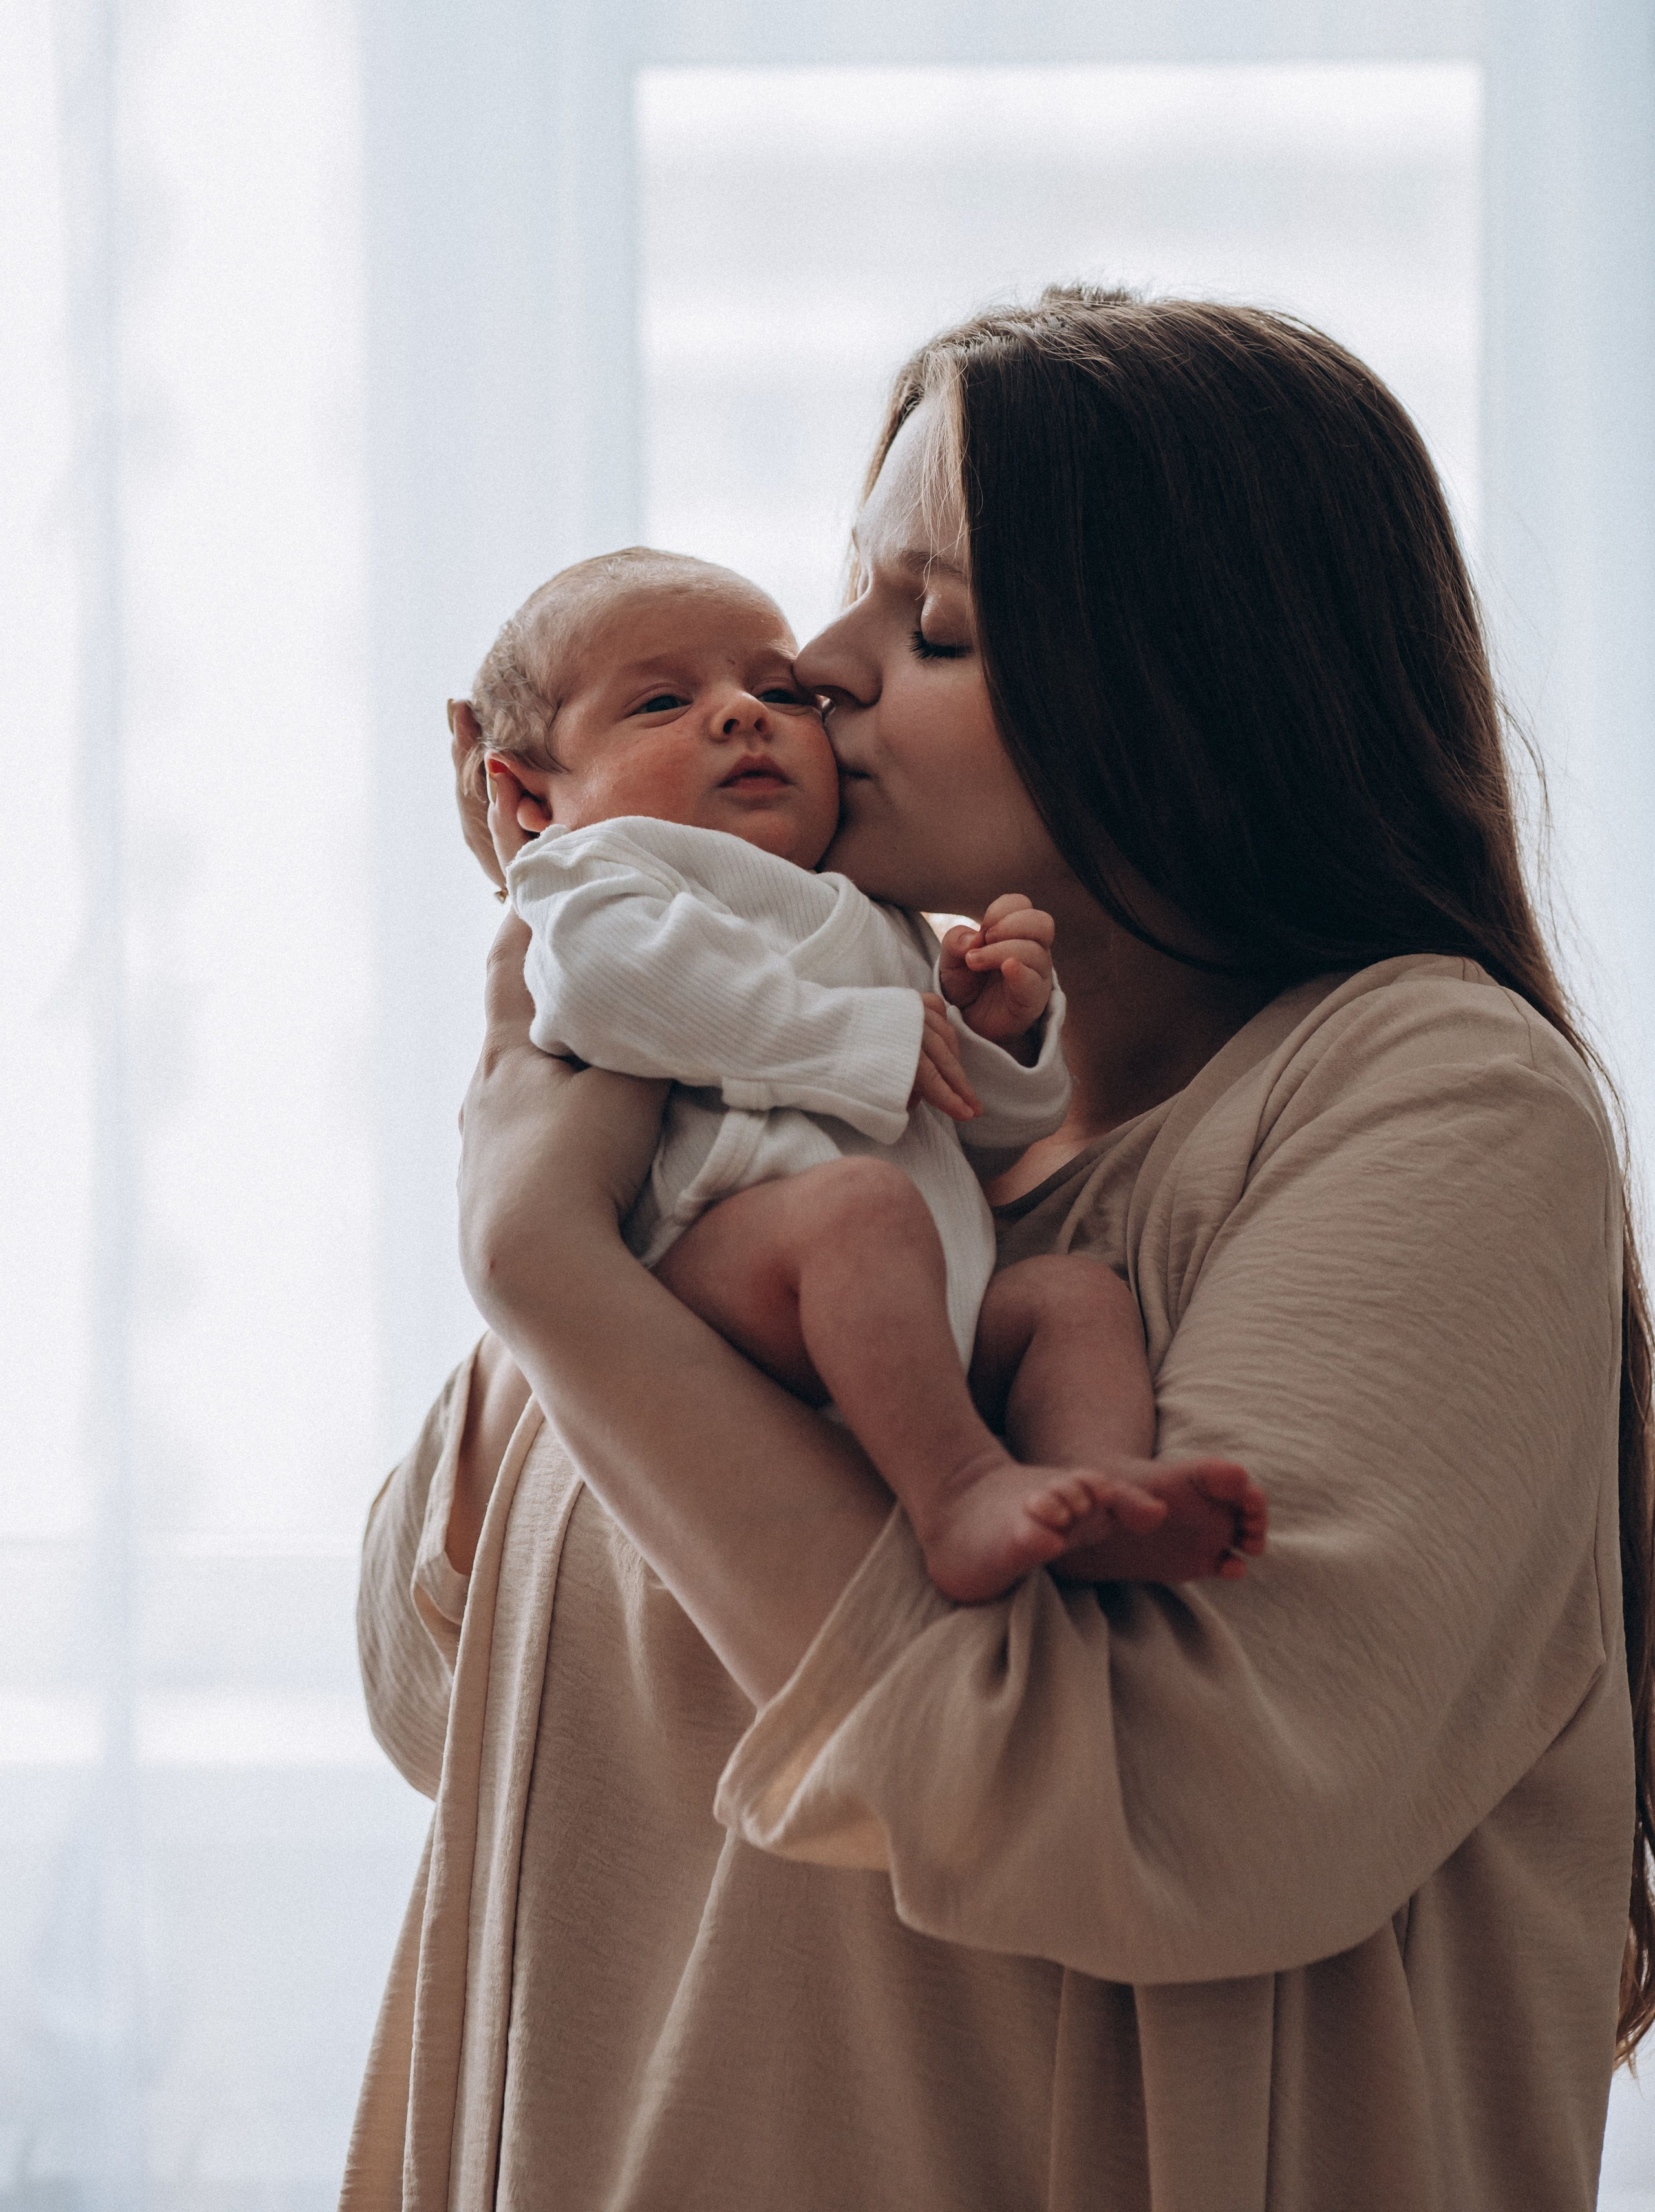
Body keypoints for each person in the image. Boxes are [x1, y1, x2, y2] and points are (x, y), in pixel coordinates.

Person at [344, 288, 1651, 2212]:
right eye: (846, 607)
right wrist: (600, 1102)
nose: (814, 674)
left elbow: (1176, 1812)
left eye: (934, 623)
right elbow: (441, 1699)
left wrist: (544, 1270)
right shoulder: (803, 1118)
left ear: (1202, 686)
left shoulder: (1426, 1103)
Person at [465, 546, 1266, 1601]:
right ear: (529, 800)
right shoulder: (594, 871)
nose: (740, 715)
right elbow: (615, 990)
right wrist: (858, 1040)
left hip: (911, 1308)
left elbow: (975, 1130)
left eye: (775, 690)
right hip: (720, 1263)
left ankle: (1095, 1490)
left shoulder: (869, 906)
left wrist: (994, 1040)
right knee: (856, 1208)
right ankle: (963, 1494)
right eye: (663, 702)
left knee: (1070, 1297)